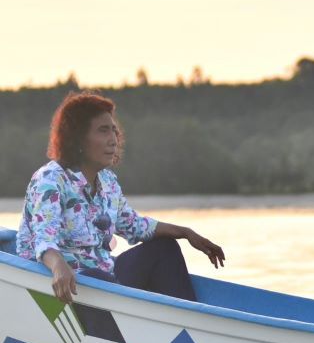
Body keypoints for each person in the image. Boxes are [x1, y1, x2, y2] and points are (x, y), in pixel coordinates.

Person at [15, 91, 225, 304]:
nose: (113, 140)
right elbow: (44, 239)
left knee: (165, 248)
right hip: (61, 285)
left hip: (106, 281)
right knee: (96, 276)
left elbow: (135, 225)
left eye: (114, 131)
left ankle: (188, 322)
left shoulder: (107, 181)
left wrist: (186, 233)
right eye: (103, 131)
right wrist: (59, 266)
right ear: (77, 137)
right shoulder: (50, 179)